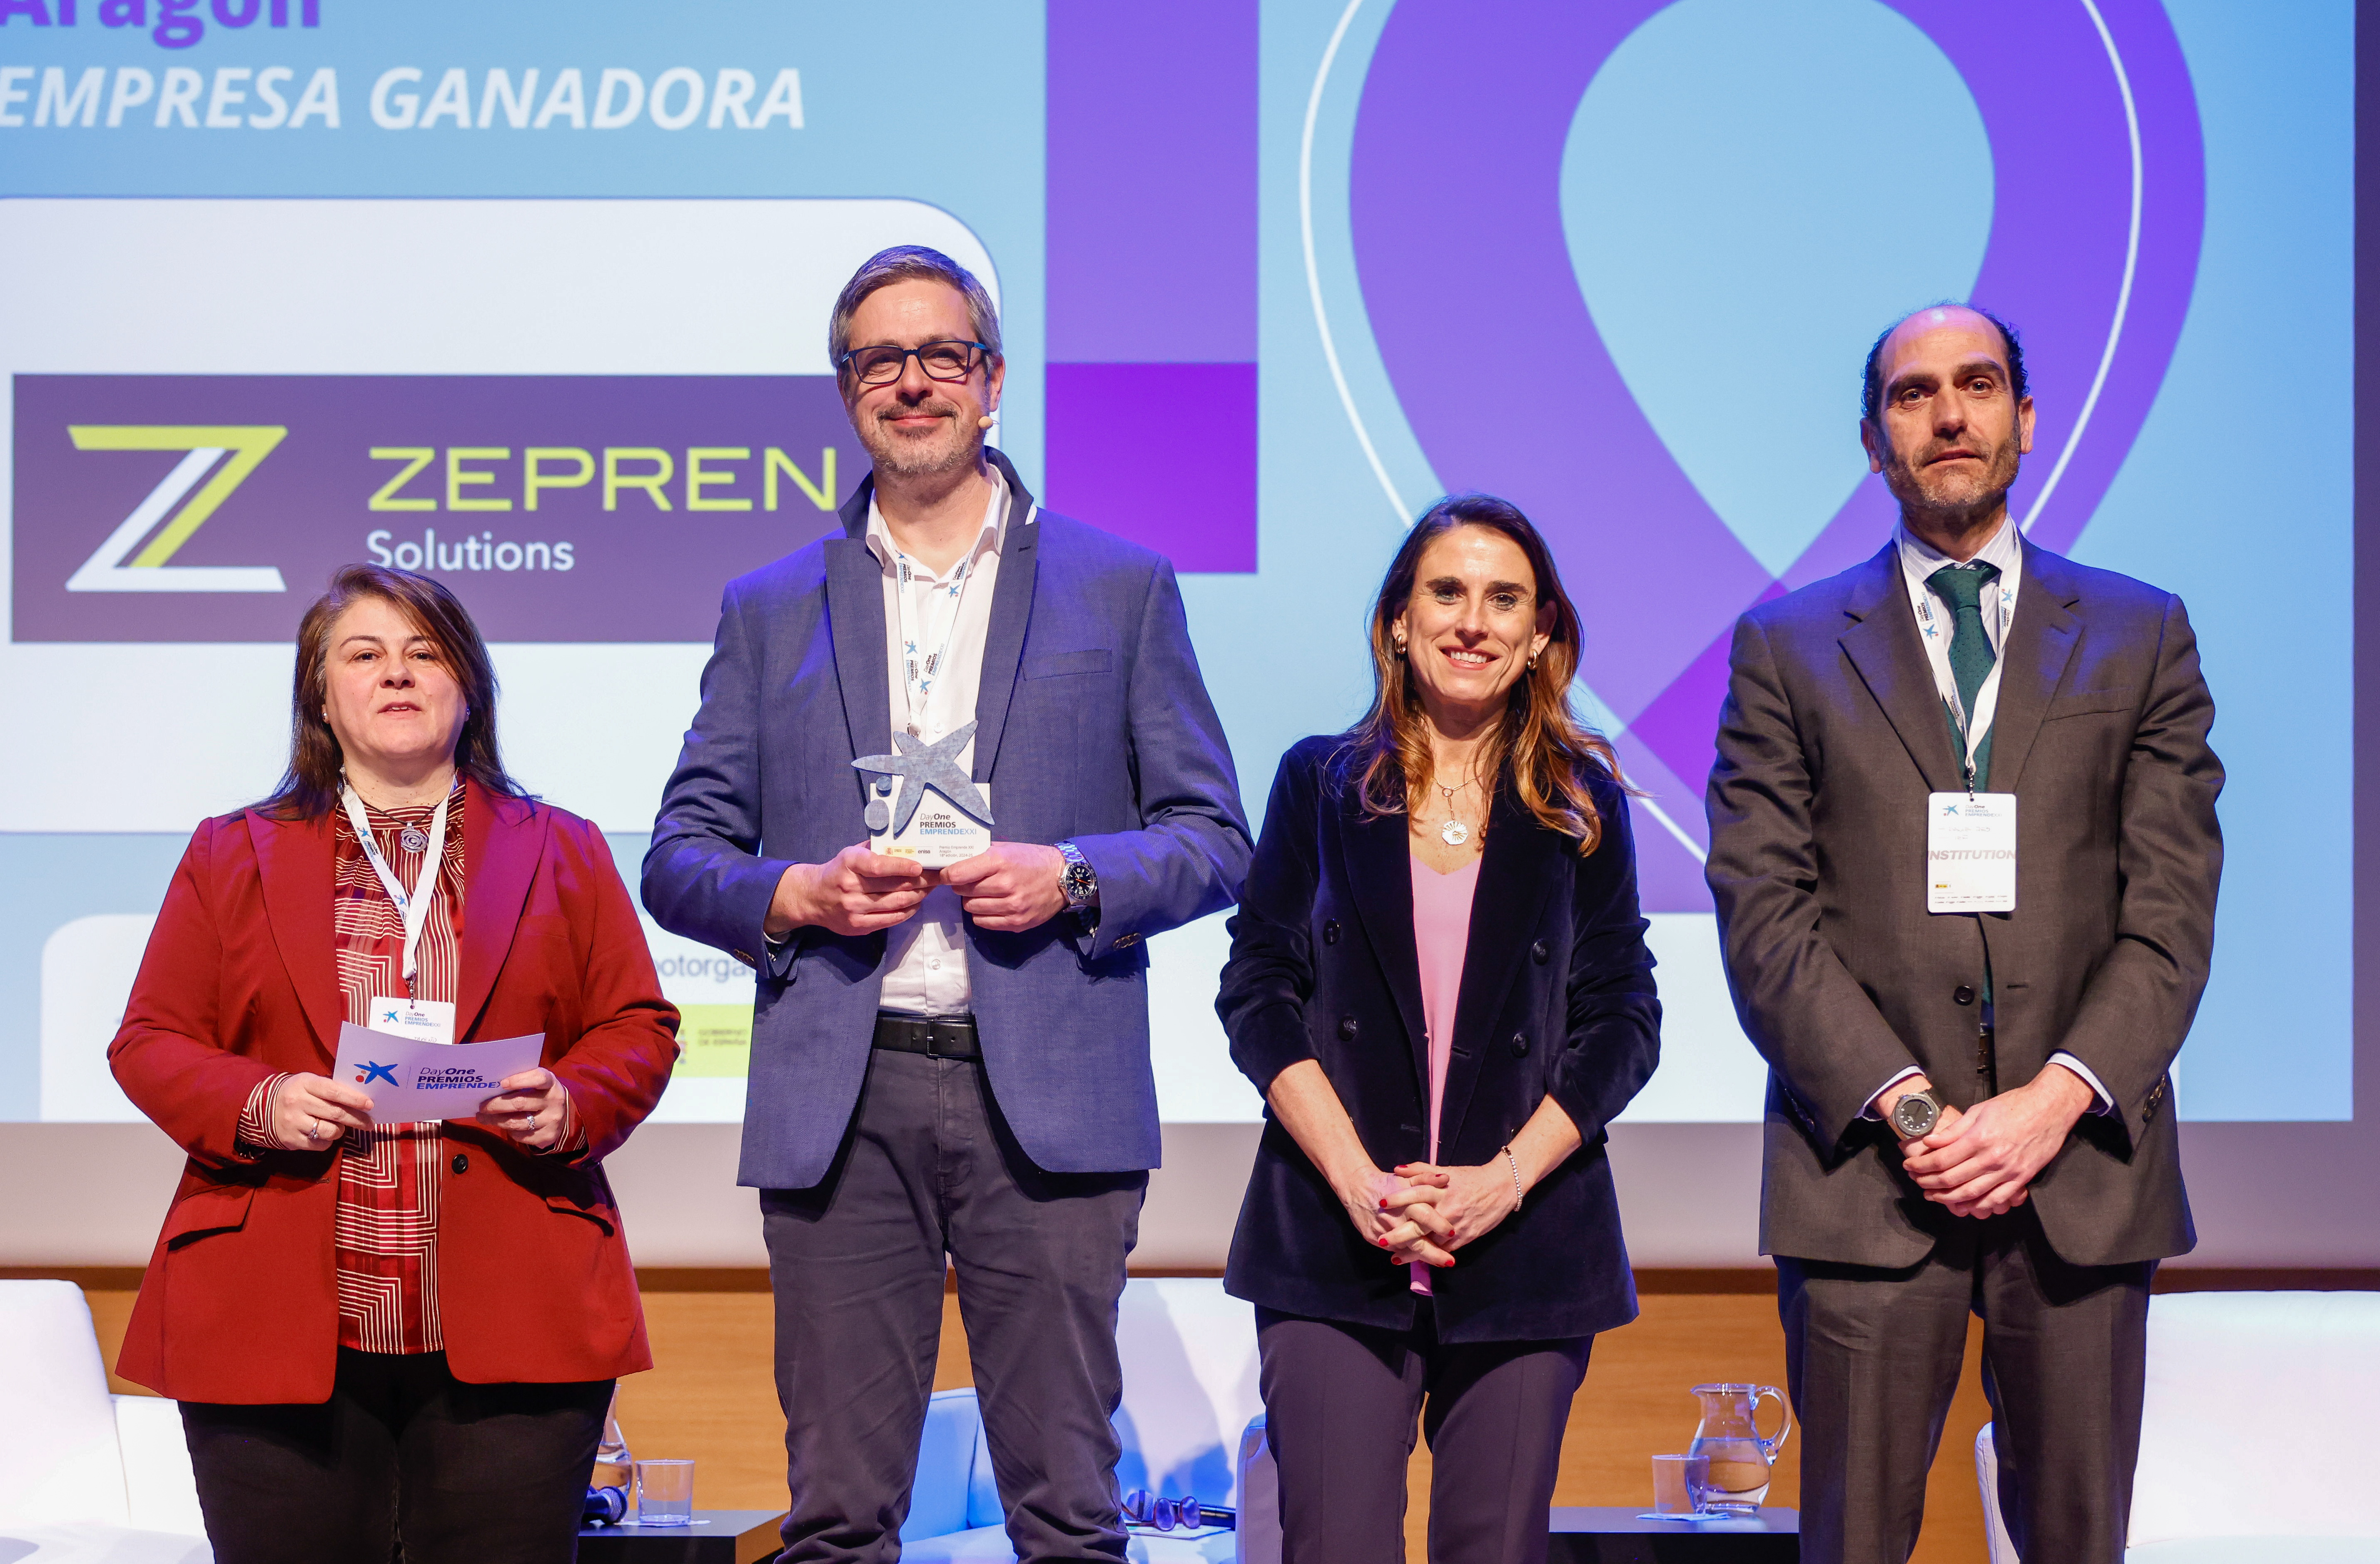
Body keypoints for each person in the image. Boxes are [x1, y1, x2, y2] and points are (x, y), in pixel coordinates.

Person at [643, 244, 1250, 1564]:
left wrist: (1073, 876)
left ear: (992, 383)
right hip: (840, 1105)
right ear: (846, 390)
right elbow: (681, 852)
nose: (911, 383)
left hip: (1048, 1099)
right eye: (880, 360)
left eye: (941, 357)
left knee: (1070, 1518)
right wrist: (795, 891)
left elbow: (1212, 837)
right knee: (837, 1518)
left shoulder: (1119, 585)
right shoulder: (769, 609)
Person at [1704, 305, 2223, 1564]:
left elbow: (2169, 914)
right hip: (1871, 1181)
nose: (1948, 414)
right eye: (1912, 394)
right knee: (1853, 1541)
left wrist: (2048, 1103)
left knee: (2075, 1541)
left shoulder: (2138, 631)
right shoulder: (1784, 648)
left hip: (2083, 1172)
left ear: (2025, 420)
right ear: (1873, 442)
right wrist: (1920, 1116)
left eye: (1977, 385)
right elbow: (1763, 913)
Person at [108, 564, 680, 1564]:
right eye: (364, 655)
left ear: (469, 685)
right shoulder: (230, 852)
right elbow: (149, 1040)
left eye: (425, 653)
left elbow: (638, 1023)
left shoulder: (565, 849)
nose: (398, 674)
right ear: (320, 696)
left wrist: (573, 1099)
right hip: (272, 1312)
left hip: (515, 1312)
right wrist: (262, 1098)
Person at [1217, 496, 1661, 1564]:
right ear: (1397, 626)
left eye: (1503, 598)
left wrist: (1498, 1182)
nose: (1472, 621)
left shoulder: (1580, 803)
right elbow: (1256, 991)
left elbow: (1623, 1020)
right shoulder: (1316, 782)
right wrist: (1362, 1182)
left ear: (1539, 632)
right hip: (1332, 1240)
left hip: (1526, 1245)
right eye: (1446, 593)